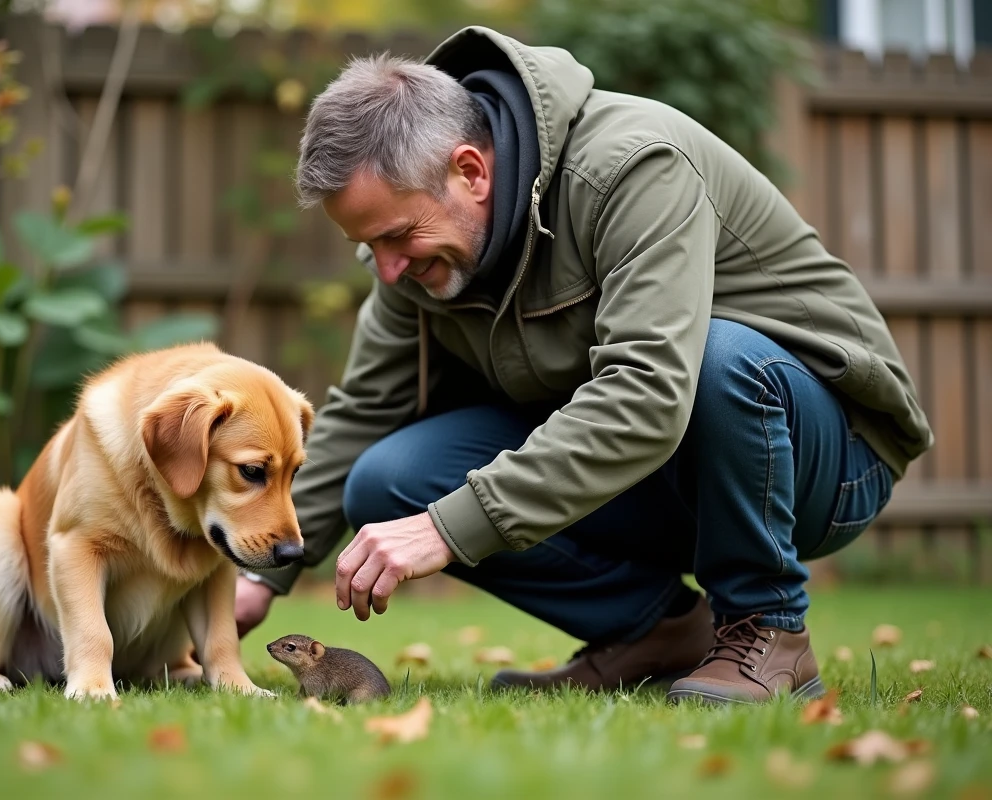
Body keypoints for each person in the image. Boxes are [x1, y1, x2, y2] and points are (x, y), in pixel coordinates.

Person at [232, 25, 933, 705]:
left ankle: (767, 628)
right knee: (387, 480)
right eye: (369, 246)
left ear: (470, 171)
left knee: (723, 358)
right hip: (659, 471)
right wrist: (259, 575)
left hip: (826, 455)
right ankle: (655, 633)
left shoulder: (632, 167)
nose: (386, 272)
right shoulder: (426, 259)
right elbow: (363, 411)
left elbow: (648, 395)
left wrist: (450, 526)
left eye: (397, 237)